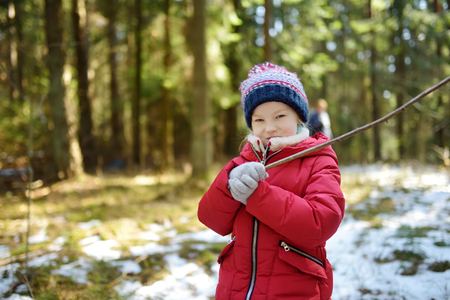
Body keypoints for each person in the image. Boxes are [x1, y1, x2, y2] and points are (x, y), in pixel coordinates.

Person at [197, 62, 345, 300]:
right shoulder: (242, 162)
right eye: (259, 120)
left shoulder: (318, 158)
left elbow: (321, 222)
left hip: (294, 288)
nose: (270, 127)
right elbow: (210, 219)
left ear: (298, 116)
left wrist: (257, 196)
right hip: (236, 287)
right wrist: (228, 187)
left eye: (279, 116)